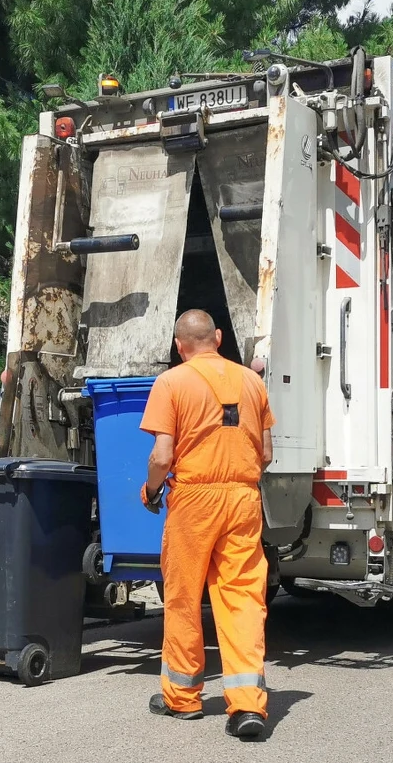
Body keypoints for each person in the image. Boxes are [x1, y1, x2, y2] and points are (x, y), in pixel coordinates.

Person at [139, 309, 274, 739]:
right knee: (242, 598)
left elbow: (162, 456)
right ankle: (247, 706)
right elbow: (266, 453)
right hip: (243, 498)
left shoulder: (172, 382)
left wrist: (152, 489)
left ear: (180, 346)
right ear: (217, 337)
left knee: (182, 596)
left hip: (195, 498)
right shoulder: (253, 383)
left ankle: (182, 698)